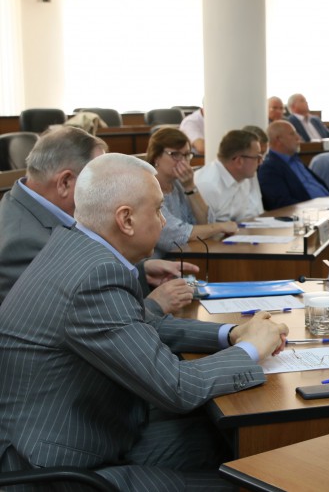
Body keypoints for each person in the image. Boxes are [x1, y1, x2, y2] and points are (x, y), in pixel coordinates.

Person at [0, 153, 289, 490]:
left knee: (232, 441)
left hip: (92, 432)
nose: (164, 222)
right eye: (158, 210)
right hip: (56, 470)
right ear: (126, 219)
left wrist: (233, 333)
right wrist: (252, 348)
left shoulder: (77, 247)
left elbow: (141, 325)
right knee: (250, 482)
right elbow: (177, 387)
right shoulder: (94, 276)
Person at [0, 126, 194, 315]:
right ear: (65, 182)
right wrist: (154, 305)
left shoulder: (33, 207)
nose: (110, 192)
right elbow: (75, 317)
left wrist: (142, 271)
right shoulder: (23, 243)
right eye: (99, 181)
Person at [147, 127, 238, 257]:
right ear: (156, 157)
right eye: (176, 155)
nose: (183, 161)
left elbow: (206, 223)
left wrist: (190, 187)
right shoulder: (146, 188)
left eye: (186, 155)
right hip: (156, 263)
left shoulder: (179, 184)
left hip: (186, 257)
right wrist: (220, 227)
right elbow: (174, 236)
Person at [257, 120, 329, 210]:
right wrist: (317, 208)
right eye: (292, 134)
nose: (298, 137)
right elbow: (282, 203)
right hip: (312, 212)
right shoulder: (269, 168)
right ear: (278, 140)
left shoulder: (296, 160)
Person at [195, 129, 264, 222]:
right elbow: (205, 228)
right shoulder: (208, 185)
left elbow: (243, 219)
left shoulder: (243, 178)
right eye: (257, 158)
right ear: (239, 161)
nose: (261, 162)